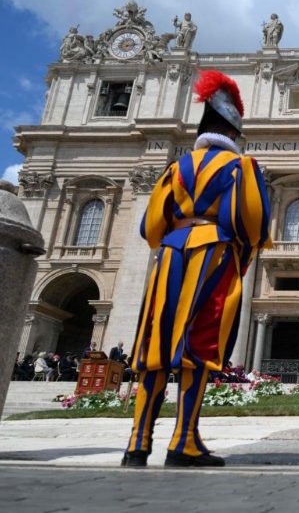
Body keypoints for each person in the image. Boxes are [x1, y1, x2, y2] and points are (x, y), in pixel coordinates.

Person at [121, 70, 271, 469]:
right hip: (215, 256)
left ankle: (137, 443)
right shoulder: (240, 167)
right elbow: (251, 222)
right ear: (234, 133)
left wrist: (173, 241)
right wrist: (242, 251)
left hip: (170, 255)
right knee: (198, 346)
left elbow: (150, 226)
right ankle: (184, 441)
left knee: (156, 346)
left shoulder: (176, 168)